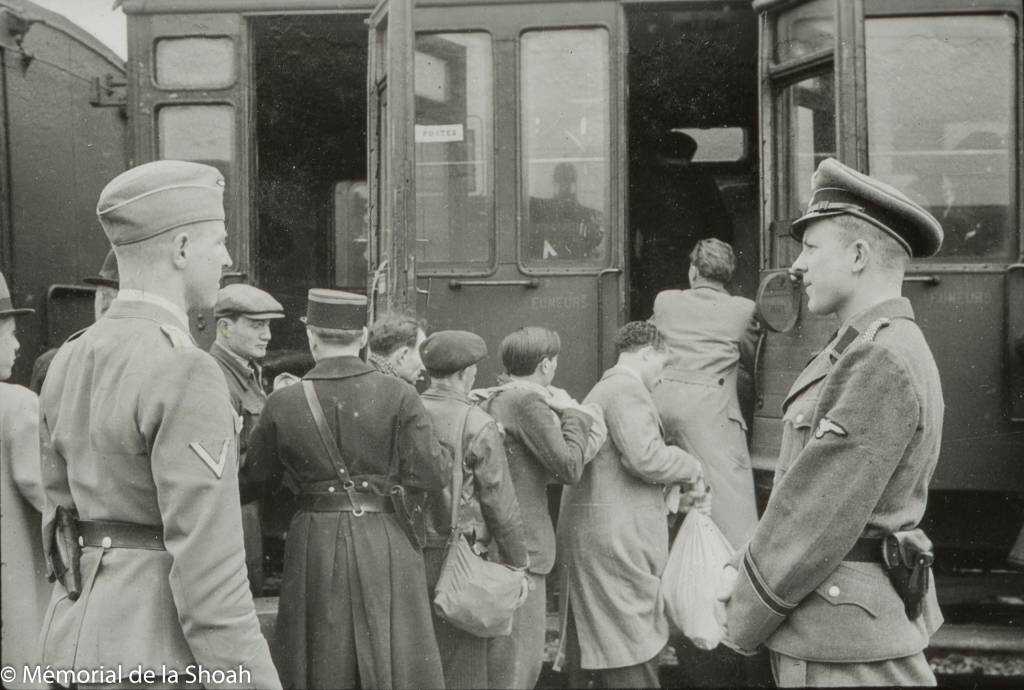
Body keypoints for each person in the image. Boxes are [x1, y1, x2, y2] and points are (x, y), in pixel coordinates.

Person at [37, 161, 280, 688]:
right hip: (157, 653)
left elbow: (57, 526)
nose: (228, 259)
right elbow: (210, 578)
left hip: (71, 645)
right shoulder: (186, 369)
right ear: (182, 249)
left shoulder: (70, 357)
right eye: (218, 243)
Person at [721, 158, 946, 687]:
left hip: (842, 647)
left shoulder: (879, 360)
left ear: (859, 255)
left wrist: (739, 611)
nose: (796, 266)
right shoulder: (868, 348)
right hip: (840, 628)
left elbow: (816, 513)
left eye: (811, 248)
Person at [244, 289, 448, 690]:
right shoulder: (400, 395)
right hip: (386, 537)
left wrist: (303, 499)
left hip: (313, 540)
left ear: (312, 338)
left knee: (319, 659)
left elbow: (255, 482)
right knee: (397, 657)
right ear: (363, 338)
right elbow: (431, 474)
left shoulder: (283, 402)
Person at [555, 321, 705, 688]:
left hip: (598, 537)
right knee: (630, 650)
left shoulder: (607, 388)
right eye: (663, 365)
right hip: (615, 543)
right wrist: (692, 465)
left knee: (597, 647)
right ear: (646, 354)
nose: (662, 377)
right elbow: (645, 458)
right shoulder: (626, 390)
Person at [472, 326, 602, 689]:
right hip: (523, 548)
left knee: (502, 657)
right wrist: (575, 414)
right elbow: (570, 467)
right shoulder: (528, 403)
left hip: (501, 541)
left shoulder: (497, 397)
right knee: (520, 663)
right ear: (545, 365)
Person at [418, 329, 530, 689]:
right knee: (464, 664)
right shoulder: (477, 423)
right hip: (459, 557)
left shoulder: (407, 410)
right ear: (466, 374)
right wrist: (518, 563)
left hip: (407, 553)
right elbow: (501, 504)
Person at [650, 237, 759, 550]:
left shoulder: (666, 301)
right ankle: (733, 570)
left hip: (661, 404)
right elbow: (753, 360)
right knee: (732, 505)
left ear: (693, 271)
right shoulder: (743, 310)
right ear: (728, 276)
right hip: (710, 413)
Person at [209, 283, 286, 597]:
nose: (266, 335)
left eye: (267, 325)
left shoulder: (247, 372)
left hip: (255, 520)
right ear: (225, 328)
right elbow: (224, 465)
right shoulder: (215, 377)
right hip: (239, 520)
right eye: (256, 326)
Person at [1, 271, 49, 688]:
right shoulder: (18, 405)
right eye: (10, 334)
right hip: (14, 569)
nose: (17, 346)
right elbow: (36, 485)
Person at [631, 130, 733, 313]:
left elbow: (634, 227)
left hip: (656, 261)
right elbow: (722, 227)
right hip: (697, 261)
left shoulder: (648, 181)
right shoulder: (702, 181)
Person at [29, 248, 119, 394]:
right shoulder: (51, 363)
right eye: (102, 293)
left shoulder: (52, 362)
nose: (103, 300)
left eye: (110, 294)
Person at [528, 162, 604, 260]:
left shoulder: (539, 210)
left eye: (567, 182)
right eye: (562, 182)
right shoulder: (591, 215)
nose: (565, 187)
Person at [367, 310, 427, 384]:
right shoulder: (396, 391)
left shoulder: (363, 378)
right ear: (402, 356)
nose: (424, 366)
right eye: (421, 354)